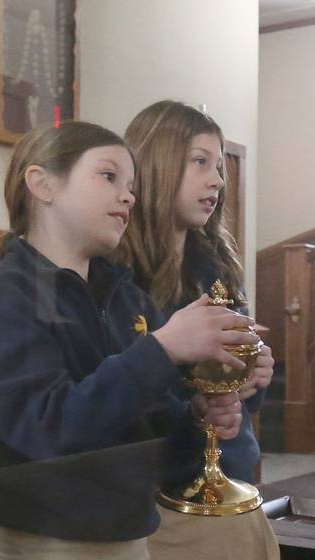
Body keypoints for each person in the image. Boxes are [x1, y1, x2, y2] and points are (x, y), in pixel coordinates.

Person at [0, 120, 259, 559]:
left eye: (131, 186)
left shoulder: (126, 297)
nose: (128, 196)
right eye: (109, 176)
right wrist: (162, 350)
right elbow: (46, 428)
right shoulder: (4, 296)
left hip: (131, 532)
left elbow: (147, 429)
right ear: (42, 184)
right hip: (49, 540)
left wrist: (197, 417)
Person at [115, 99, 278, 559]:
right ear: (157, 165)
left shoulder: (218, 266)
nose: (217, 180)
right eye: (200, 162)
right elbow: (118, 386)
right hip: (156, 491)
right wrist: (192, 406)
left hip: (231, 472)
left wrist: (254, 373)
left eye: (219, 166)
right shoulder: (117, 270)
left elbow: (240, 388)